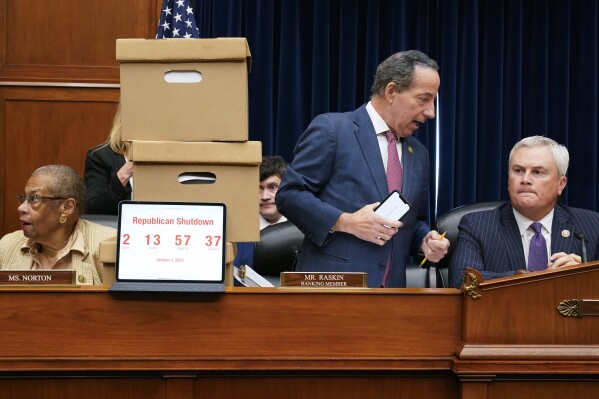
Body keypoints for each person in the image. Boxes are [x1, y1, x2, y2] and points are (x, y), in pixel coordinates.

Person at [275, 50, 449, 288]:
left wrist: (424, 241)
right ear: (391, 91)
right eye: (423, 99)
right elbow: (289, 195)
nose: (431, 112)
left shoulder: (419, 154)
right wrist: (346, 221)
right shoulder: (333, 130)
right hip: (332, 290)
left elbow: (412, 221)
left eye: (433, 101)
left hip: (391, 297)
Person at [449, 136, 599, 288]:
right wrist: (529, 277)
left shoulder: (592, 225)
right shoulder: (477, 225)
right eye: (518, 170)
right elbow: (462, 279)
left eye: (538, 172)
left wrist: (584, 276)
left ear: (560, 184)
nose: (525, 179)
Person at [0, 165, 117, 285]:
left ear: (67, 207)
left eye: (34, 199)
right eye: (24, 198)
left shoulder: (108, 246)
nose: (21, 208)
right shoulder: (8, 245)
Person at [234, 155, 289, 267]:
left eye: (272, 187)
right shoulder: (239, 235)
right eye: (259, 188)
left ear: (286, 188)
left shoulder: (302, 231)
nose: (264, 196)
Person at [84, 104, 132, 215]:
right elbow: (93, 209)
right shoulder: (100, 156)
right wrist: (123, 175)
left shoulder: (173, 155)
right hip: (116, 230)